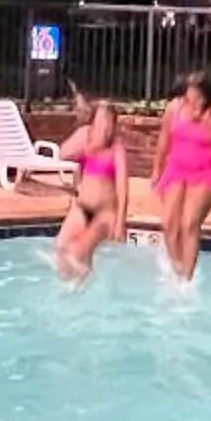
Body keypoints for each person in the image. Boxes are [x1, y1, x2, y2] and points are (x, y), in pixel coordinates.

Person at [150, 71, 211, 282]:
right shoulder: (175, 107)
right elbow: (163, 139)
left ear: (206, 95)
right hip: (176, 168)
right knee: (169, 222)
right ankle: (177, 267)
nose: (192, 100)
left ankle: (187, 278)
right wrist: (157, 169)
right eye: (189, 95)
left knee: (189, 223)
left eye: (196, 96)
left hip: (207, 170)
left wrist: (203, 121)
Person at [53, 80, 126, 282]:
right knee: (60, 248)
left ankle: (83, 287)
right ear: (94, 122)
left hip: (104, 214)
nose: (105, 127)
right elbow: (61, 154)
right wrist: (83, 142)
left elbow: (122, 185)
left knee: (78, 252)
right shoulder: (85, 136)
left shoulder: (116, 147)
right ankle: (67, 288)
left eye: (109, 122)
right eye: (101, 121)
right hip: (81, 207)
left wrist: (120, 221)